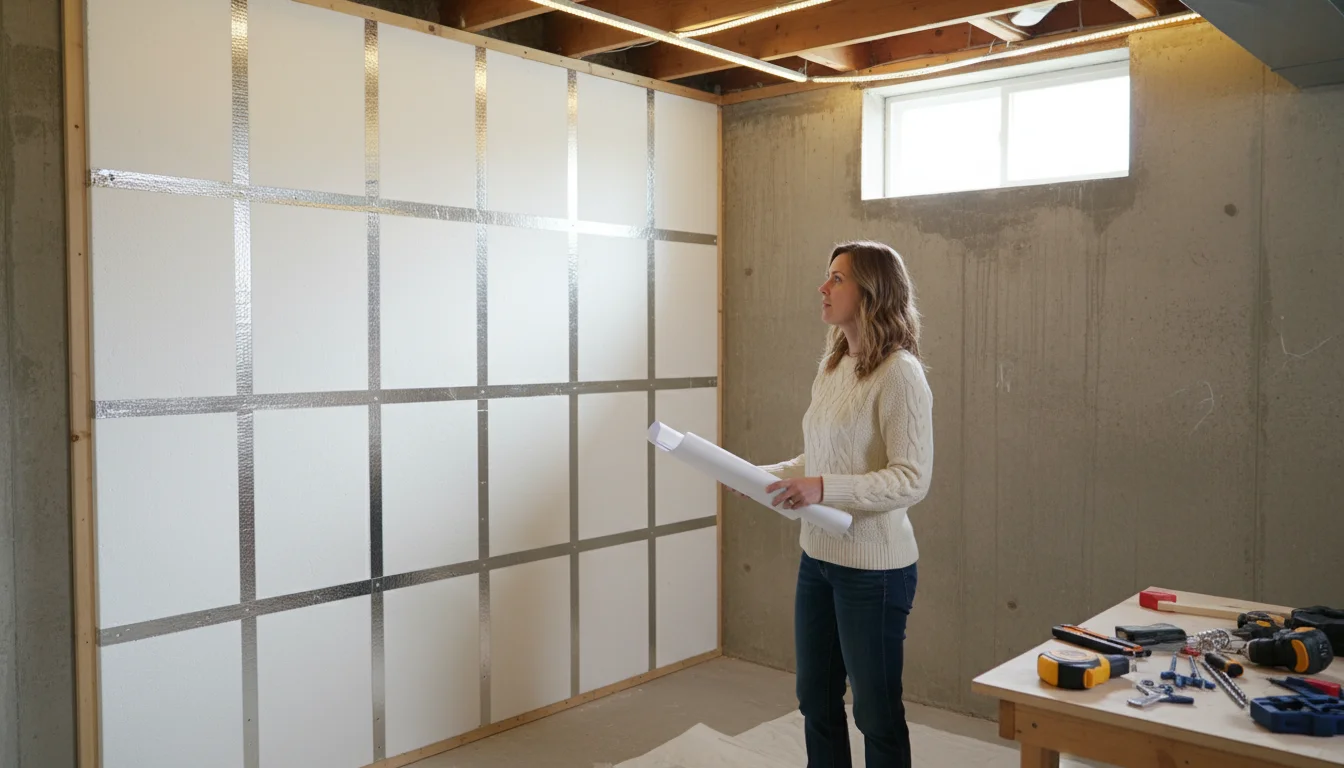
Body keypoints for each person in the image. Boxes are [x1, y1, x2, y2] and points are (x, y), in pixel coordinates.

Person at [757, 240, 933, 768]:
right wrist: (761, 478)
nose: (823, 287)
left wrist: (823, 488)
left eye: (837, 278)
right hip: (817, 560)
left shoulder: (900, 373)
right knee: (815, 701)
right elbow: (818, 459)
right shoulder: (833, 366)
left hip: (874, 572)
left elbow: (911, 478)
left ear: (872, 291)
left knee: (876, 714)